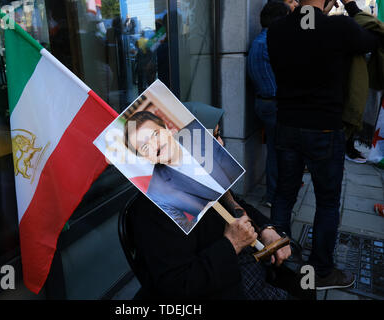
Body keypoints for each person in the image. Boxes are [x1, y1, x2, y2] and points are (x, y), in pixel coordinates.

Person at [127, 102, 307, 300]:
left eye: (219, 134)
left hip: (250, 269)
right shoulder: (154, 208)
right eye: (213, 137)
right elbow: (177, 285)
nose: (221, 144)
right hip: (225, 288)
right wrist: (231, 244)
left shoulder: (198, 171)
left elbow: (236, 205)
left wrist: (266, 228)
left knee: (304, 282)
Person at [267, 0, 379, 290]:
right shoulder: (340, 27)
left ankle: (276, 260)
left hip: (287, 125)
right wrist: (353, 8)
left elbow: (303, 32)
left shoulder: (276, 29)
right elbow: (377, 36)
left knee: (283, 196)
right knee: (327, 204)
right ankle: (320, 273)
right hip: (324, 129)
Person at [124, 107, 244, 233]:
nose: (155, 145)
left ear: (166, 128)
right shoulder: (157, 194)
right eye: (145, 147)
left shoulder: (202, 136)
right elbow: (185, 228)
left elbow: (231, 190)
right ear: (145, 158)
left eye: (155, 134)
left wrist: (264, 227)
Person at [247, 1, 290, 208]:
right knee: (278, 152)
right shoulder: (272, 43)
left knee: (275, 150)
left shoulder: (258, 41)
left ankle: (273, 194)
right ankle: (273, 196)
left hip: (262, 103)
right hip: (274, 104)